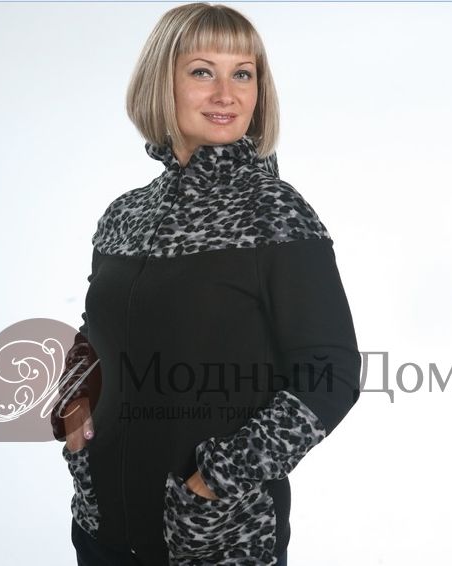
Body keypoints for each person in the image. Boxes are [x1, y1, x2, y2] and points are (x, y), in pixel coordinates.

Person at [50, 3, 362, 565]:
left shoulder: (274, 212)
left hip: (214, 539)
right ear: (160, 82)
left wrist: (217, 479)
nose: (226, 93)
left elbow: (330, 374)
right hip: (101, 528)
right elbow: (95, 333)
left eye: (242, 73)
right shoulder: (124, 214)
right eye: (202, 71)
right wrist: (74, 399)